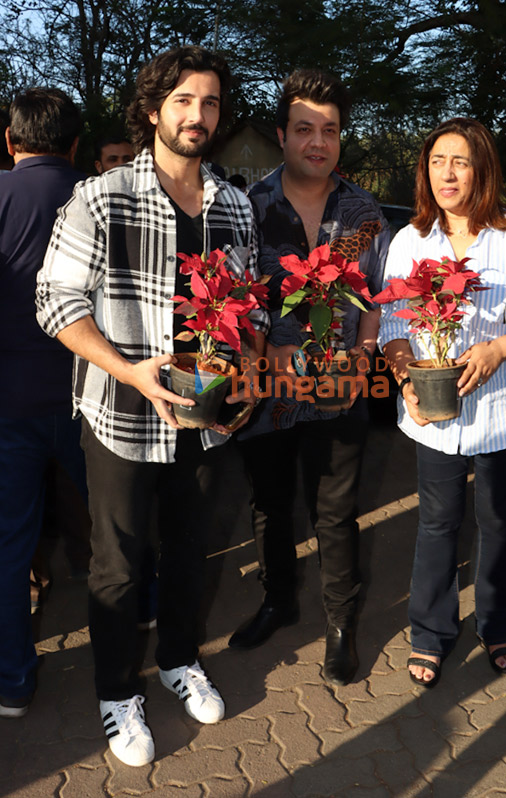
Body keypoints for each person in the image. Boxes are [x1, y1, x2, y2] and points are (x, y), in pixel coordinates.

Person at [37, 45, 267, 767]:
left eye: (209, 103)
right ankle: (116, 695)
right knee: (117, 566)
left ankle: (176, 661)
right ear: (152, 110)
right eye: (183, 101)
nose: (197, 115)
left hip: (207, 418)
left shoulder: (233, 205)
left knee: (191, 554)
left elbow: (247, 308)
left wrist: (252, 368)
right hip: (122, 417)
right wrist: (129, 372)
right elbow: (55, 300)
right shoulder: (101, 197)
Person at [378, 117, 506, 688]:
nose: (447, 172)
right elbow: (392, 321)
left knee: (498, 523)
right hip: (434, 416)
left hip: (500, 412)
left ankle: (497, 623)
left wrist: (498, 351)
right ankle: (431, 632)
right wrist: (403, 379)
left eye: (460, 161)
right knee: (437, 524)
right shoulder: (412, 240)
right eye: (437, 160)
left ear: (482, 168)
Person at [229, 70, 391, 686]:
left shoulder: (363, 212)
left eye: (329, 130)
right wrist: (258, 355)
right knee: (269, 505)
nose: (317, 142)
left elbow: (377, 297)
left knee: (336, 511)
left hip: (338, 391)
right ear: (282, 136)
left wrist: (366, 352)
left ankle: (341, 625)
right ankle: (277, 601)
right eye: (304, 130)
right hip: (269, 395)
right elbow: (238, 294)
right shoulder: (249, 208)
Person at [0, 88, 87, 718]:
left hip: (10, 403)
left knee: (8, 546)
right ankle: (140, 627)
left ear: (11, 141)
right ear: (76, 144)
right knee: (117, 526)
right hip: (94, 396)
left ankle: (13, 679)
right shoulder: (102, 196)